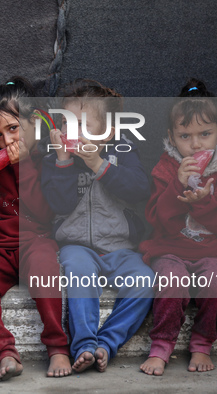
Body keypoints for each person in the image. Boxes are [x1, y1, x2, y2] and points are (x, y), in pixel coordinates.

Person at [0, 77, 72, 381]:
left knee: (46, 268)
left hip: (36, 241)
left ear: (35, 123)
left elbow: (44, 209)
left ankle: (58, 346)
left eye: (13, 129)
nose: (6, 141)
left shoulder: (47, 156)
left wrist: (24, 165)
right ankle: (4, 352)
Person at [41, 79, 154, 374]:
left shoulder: (123, 152)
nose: (73, 133)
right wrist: (63, 163)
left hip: (121, 249)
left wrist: (100, 165)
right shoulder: (54, 159)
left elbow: (140, 189)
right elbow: (59, 205)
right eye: (68, 124)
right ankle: (84, 346)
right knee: (78, 271)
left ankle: (107, 343)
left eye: (84, 126)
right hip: (76, 246)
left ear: (109, 133)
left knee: (144, 280)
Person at [139, 78, 217, 376]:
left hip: (213, 249)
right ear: (172, 137)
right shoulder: (165, 167)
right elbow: (155, 218)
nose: (196, 144)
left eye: (205, 134)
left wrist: (205, 202)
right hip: (171, 247)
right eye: (185, 136)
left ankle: (202, 343)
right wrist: (177, 184)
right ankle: (161, 346)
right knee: (171, 282)